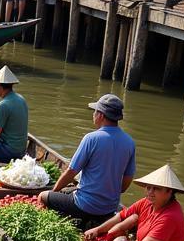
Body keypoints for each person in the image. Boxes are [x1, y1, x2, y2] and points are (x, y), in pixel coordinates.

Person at [40, 94, 136, 229]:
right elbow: (126, 183)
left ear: (101, 115)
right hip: (109, 208)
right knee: (69, 191)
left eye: (95, 111)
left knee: (43, 196)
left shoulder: (91, 138)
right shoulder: (129, 142)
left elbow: (71, 171)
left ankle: (49, 226)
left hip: (84, 205)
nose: (93, 115)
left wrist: (54, 192)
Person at [85, 164, 184, 241]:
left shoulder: (170, 217)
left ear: (169, 192)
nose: (150, 192)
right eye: (148, 188)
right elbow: (121, 216)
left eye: (156, 189)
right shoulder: (147, 202)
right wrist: (98, 230)